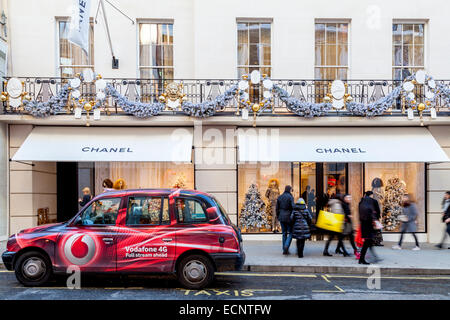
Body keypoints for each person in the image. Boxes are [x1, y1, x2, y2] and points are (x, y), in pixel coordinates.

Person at [358, 194, 379, 264]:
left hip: (364, 226)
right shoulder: (369, 207)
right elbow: (372, 216)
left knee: (367, 243)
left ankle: (362, 259)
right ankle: (361, 259)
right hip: (368, 227)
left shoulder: (361, 205)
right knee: (367, 243)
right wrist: (375, 221)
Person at [276, 185, 295, 255]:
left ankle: (284, 249)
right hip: (288, 217)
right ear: (289, 190)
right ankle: (286, 246)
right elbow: (293, 207)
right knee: (290, 233)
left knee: (284, 233)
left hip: (281, 216)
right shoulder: (290, 197)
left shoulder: (280, 197)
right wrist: (292, 216)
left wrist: (278, 216)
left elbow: (277, 209)